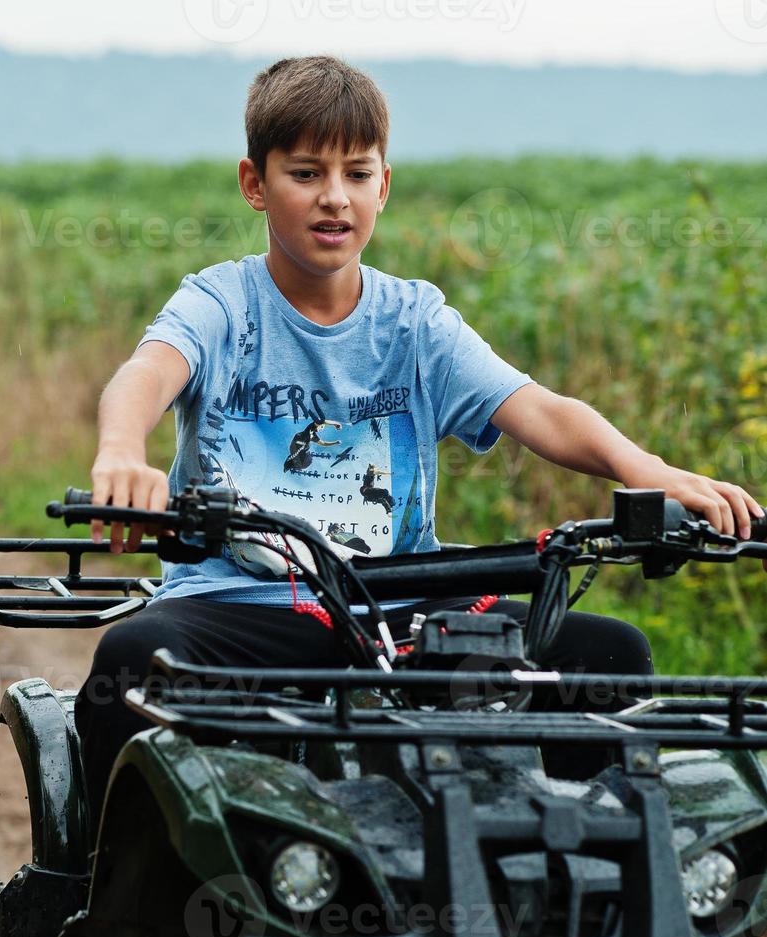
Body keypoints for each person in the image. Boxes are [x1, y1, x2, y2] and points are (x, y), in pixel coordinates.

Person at [74, 55, 766, 816]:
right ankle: (100, 893)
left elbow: (538, 408)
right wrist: (120, 453)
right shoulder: (222, 303)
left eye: (356, 173)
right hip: (244, 604)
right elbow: (146, 373)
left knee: (606, 653)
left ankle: (589, 887)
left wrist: (651, 471)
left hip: (394, 608)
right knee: (133, 657)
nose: (333, 198)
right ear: (254, 183)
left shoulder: (413, 321)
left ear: (383, 186)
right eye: (305, 173)